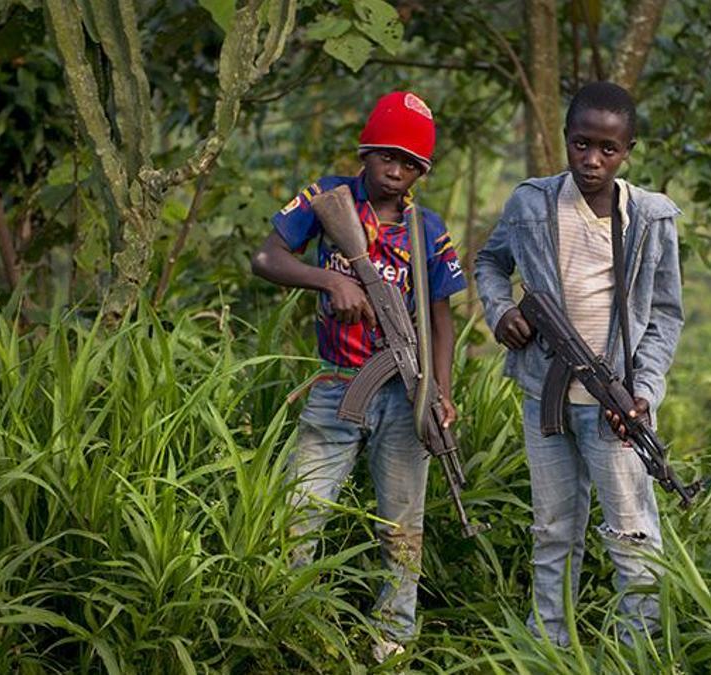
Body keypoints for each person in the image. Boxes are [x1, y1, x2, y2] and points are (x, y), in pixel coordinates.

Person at [250, 91, 466, 662]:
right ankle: (292, 616)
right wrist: (332, 282)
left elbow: (441, 321)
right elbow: (267, 259)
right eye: (386, 157)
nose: (395, 172)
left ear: (422, 171)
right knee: (301, 509)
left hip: (404, 392)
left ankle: (393, 635)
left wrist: (440, 393)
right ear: (364, 153)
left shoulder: (428, 228)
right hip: (336, 384)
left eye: (410, 164)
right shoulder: (328, 197)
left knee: (402, 522)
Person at [474, 81, 684, 645]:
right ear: (565, 140)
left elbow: (665, 316)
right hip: (546, 396)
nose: (592, 160)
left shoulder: (650, 218)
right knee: (553, 531)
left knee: (633, 538)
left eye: (607, 149)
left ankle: (636, 650)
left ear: (628, 151)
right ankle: (549, 646)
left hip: (616, 405)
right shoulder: (531, 204)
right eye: (580, 144)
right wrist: (499, 313)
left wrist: (646, 394)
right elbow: (489, 263)